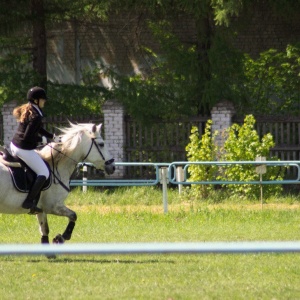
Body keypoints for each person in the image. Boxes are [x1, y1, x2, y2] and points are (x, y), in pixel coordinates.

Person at [10, 86, 58, 214]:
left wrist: (51, 136)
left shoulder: (30, 110)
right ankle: (29, 202)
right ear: (36, 100)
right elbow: (28, 136)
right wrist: (44, 141)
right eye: (43, 99)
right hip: (23, 148)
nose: (44, 101)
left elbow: (38, 129)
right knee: (44, 172)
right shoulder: (36, 115)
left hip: (15, 145)